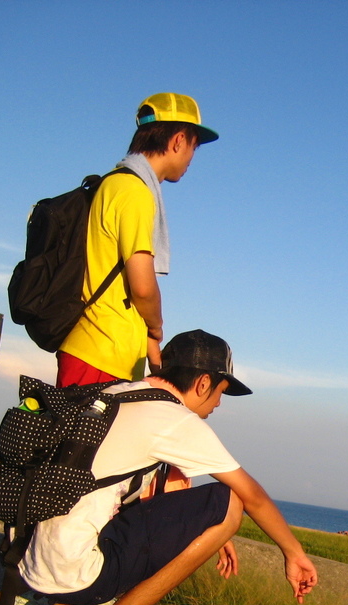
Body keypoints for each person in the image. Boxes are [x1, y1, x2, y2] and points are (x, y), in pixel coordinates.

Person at [23, 329, 318, 605]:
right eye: (221, 392)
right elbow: (251, 495)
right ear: (203, 383)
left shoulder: (117, 391)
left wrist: (212, 532)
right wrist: (293, 554)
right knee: (229, 500)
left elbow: (157, 495)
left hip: (37, 563)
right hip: (77, 570)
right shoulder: (173, 419)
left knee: (209, 508)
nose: (219, 404)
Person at [56, 93, 219, 388]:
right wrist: (157, 326)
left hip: (97, 350)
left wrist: (151, 352)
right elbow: (142, 288)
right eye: (194, 146)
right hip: (100, 354)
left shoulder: (116, 183)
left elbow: (121, 286)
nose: (192, 157)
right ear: (178, 140)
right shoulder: (135, 192)